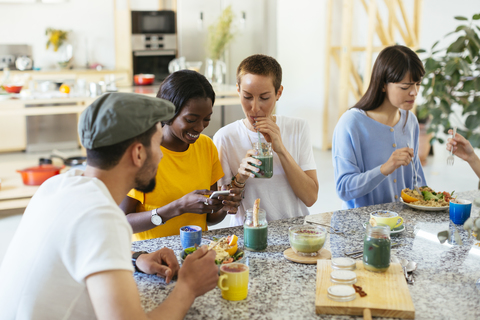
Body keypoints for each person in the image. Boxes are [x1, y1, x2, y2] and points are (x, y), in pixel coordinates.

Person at [0, 93, 219, 320]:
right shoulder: (102, 217)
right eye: (157, 145)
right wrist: (189, 287)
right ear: (138, 153)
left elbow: (83, 247)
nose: (161, 155)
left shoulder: (58, 185)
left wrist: (135, 257)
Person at [120, 70, 242, 240]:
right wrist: (178, 207)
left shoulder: (206, 146)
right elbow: (121, 222)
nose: (200, 127)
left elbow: (210, 217)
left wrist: (224, 207)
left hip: (196, 252)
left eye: (206, 118)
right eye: (191, 120)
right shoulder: (141, 153)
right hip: (152, 257)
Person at [213, 54, 318, 226]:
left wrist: (281, 149)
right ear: (238, 90)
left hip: (294, 233)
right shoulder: (225, 137)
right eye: (247, 97)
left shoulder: (298, 128)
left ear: (279, 93)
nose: (255, 108)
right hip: (248, 234)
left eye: (264, 97)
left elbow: (310, 197)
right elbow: (227, 209)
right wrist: (240, 177)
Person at [332, 45, 427, 209]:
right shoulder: (351, 123)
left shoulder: (410, 120)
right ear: (383, 85)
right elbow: (344, 188)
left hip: (403, 224)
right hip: (362, 227)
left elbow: (417, 180)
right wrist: (386, 168)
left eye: (417, 84)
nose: (414, 92)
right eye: (405, 86)